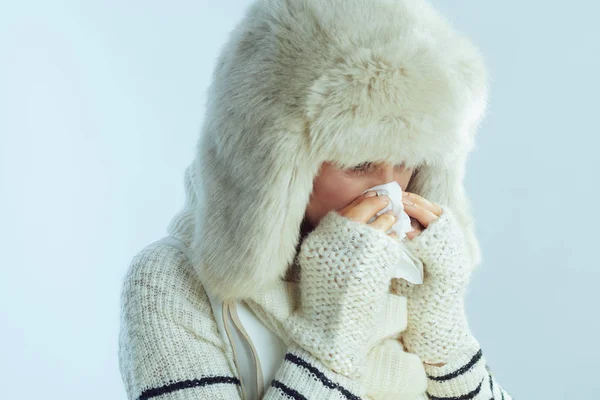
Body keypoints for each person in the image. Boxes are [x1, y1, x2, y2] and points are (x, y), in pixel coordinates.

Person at [118, 0, 515, 399]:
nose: (390, 191)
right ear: (271, 164)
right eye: (359, 163)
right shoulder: (169, 281)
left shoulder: (407, 269)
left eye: (407, 163)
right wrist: (331, 336)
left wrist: (443, 334)